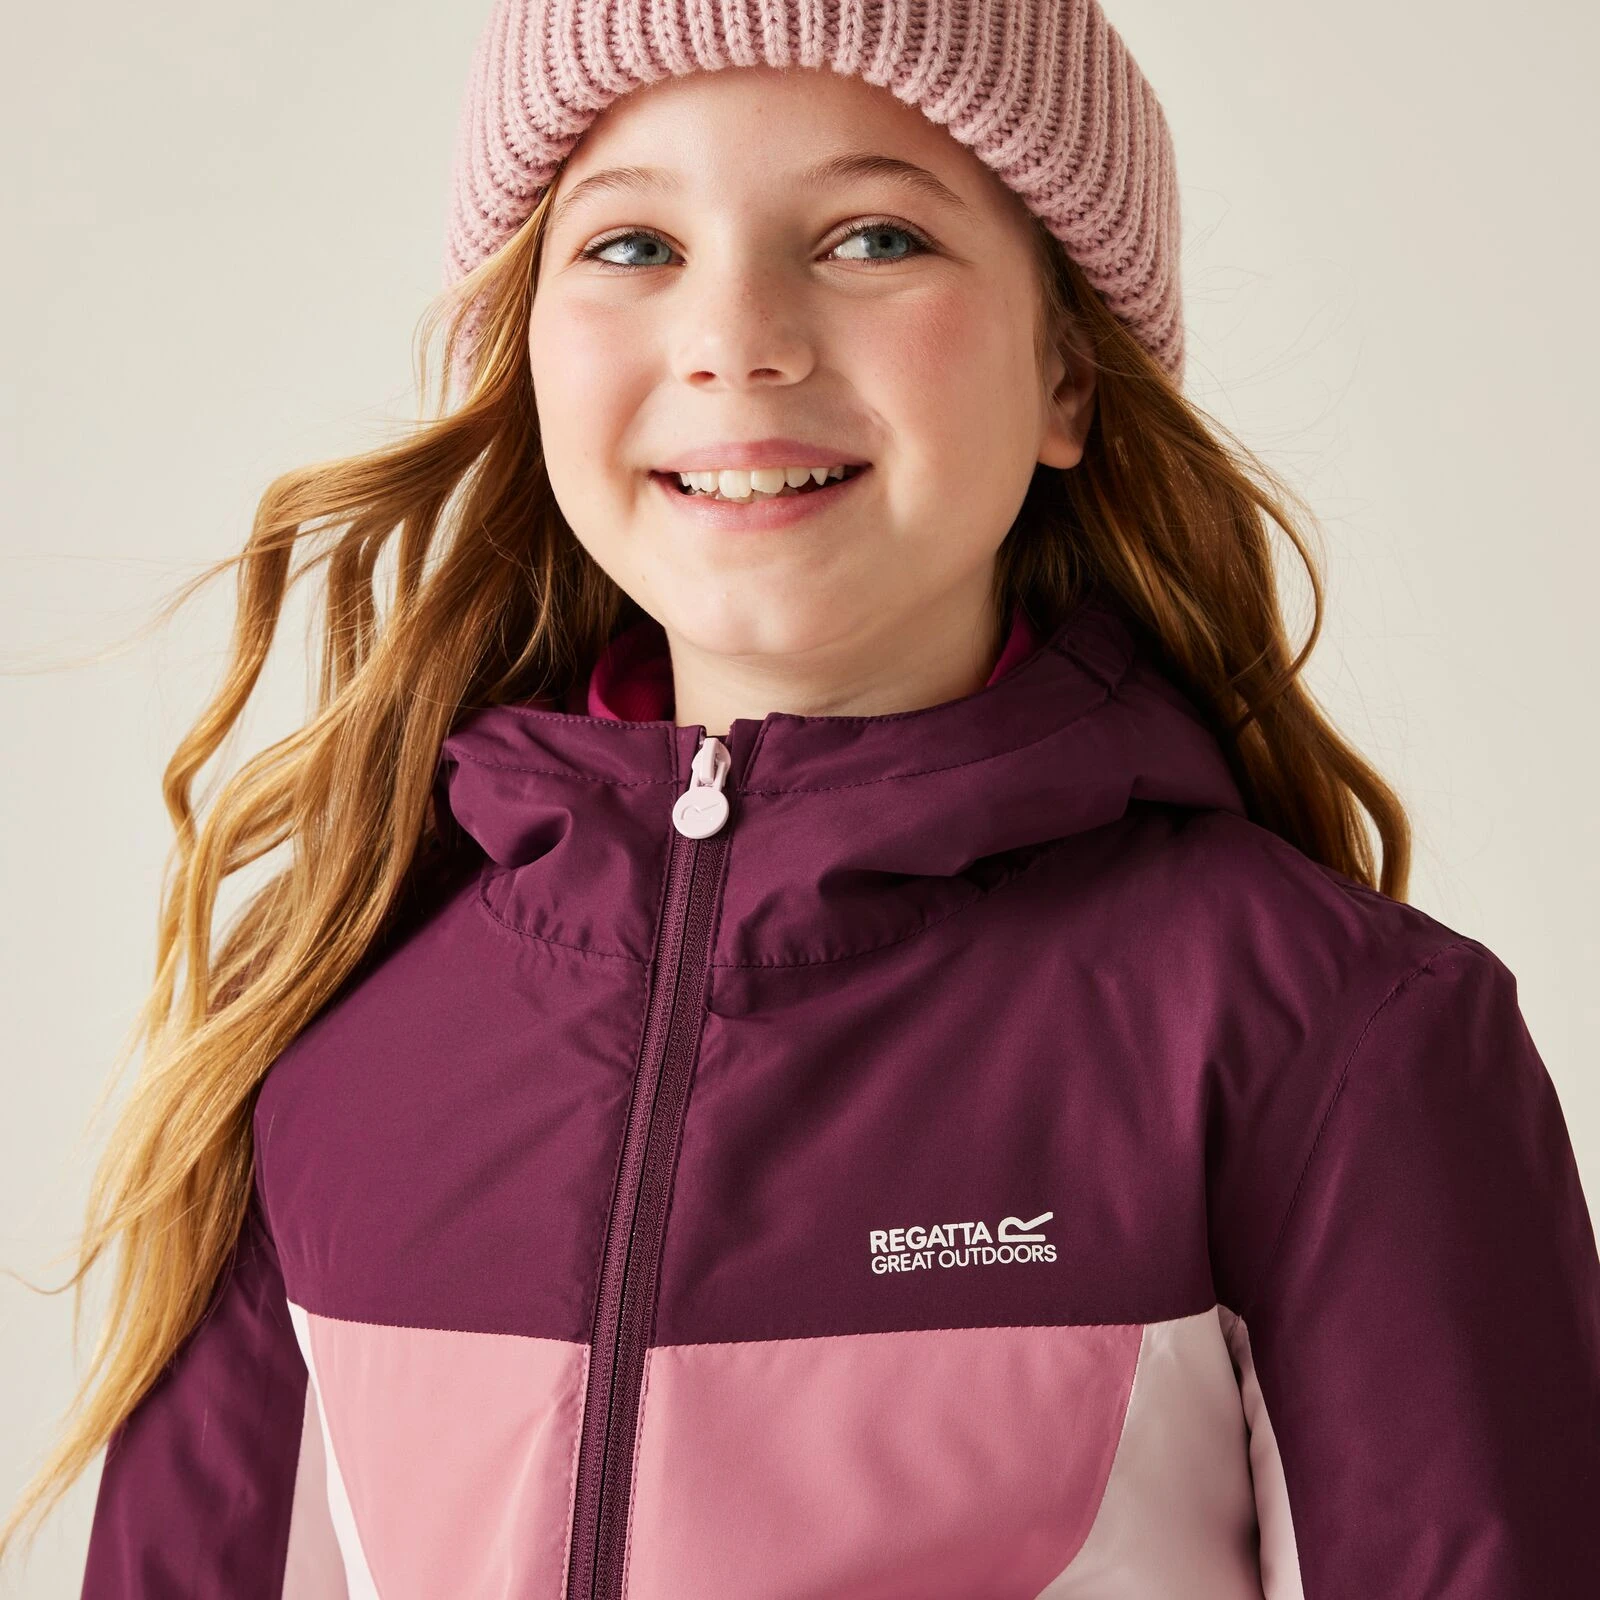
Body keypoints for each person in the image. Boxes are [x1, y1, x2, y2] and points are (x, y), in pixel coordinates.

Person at [4, 1, 1597, 1595]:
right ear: (528, 350)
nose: (736, 338)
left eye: (874, 237)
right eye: (632, 246)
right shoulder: (324, 1029)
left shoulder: (1325, 1038)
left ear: (1068, 373)